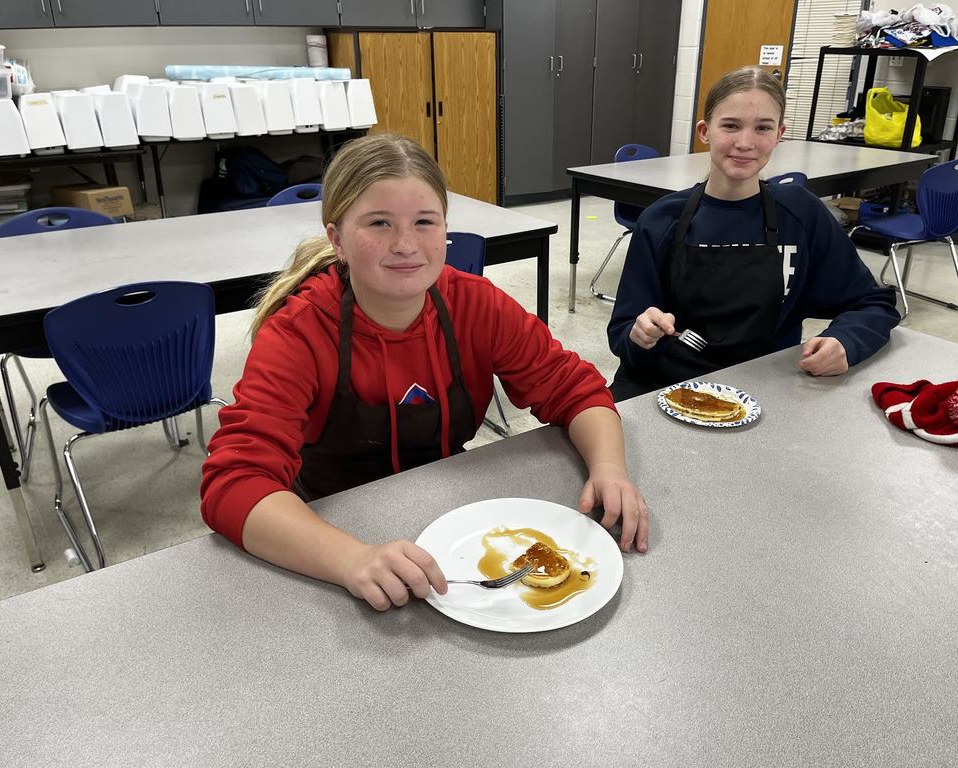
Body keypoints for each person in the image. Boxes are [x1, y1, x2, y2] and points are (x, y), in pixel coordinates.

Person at [201, 133, 648, 611]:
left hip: (453, 524)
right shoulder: (300, 333)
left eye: (424, 222)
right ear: (337, 239)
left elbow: (574, 389)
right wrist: (350, 560)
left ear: (445, 229)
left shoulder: (476, 305)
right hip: (327, 531)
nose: (405, 244)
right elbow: (234, 485)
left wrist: (609, 468)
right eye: (379, 223)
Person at [607, 66, 901, 401]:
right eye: (730, 126)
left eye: (763, 128)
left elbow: (873, 303)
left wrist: (847, 341)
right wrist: (639, 334)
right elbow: (622, 333)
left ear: (779, 134)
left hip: (763, 391)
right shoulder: (661, 220)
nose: (745, 143)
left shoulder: (801, 216)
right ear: (705, 132)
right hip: (660, 387)